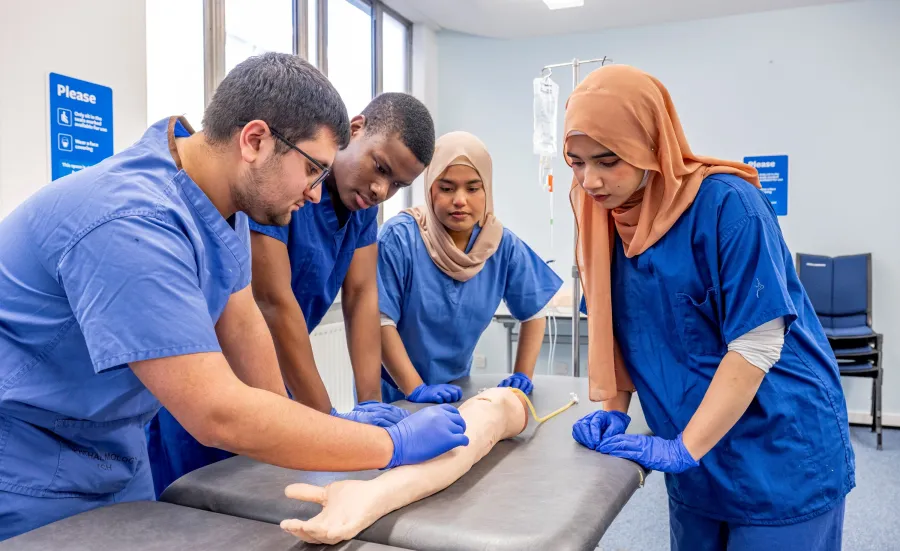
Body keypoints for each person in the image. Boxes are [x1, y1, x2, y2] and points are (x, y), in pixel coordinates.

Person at [0, 53, 468, 541]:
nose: (314, 193)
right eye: (312, 169)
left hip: (113, 451)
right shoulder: (133, 222)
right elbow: (217, 412)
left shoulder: (225, 212)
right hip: (28, 467)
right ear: (255, 140)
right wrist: (387, 444)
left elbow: (246, 330)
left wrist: (332, 425)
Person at [564, 65, 854, 550]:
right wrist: (615, 408)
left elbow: (758, 343)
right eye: (575, 161)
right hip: (697, 458)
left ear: (649, 147)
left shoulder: (728, 205)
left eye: (607, 160)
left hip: (781, 450)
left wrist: (683, 448)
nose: (590, 181)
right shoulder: (601, 219)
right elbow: (615, 326)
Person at [147, 92, 435, 495]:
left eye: (397, 185)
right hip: (205, 375)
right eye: (380, 167)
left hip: (265, 378)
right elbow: (272, 304)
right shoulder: (275, 192)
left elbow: (362, 295)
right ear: (355, 130)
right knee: (198, 498)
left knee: (261, 495)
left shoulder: (357, 205)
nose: (381, 189)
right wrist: (328, 421)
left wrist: (372, 405)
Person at [377, 131, 563, 404]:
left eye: (473, 188)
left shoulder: (500, 244)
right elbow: (379, 322)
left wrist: (523, 375)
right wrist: (414, 388)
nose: (460, 200)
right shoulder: (399, 239)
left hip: (456, 391)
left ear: (487, 189)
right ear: (430, 188)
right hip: (393, 396)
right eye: (447, 188)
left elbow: (534, 312)